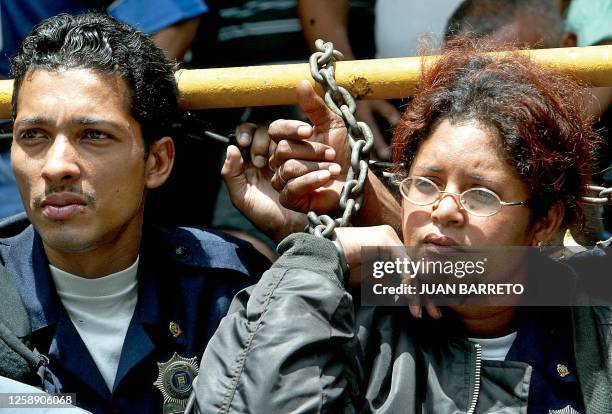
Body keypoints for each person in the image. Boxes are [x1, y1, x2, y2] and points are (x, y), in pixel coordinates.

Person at [189, 40, 611, 413]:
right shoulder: (348, 323)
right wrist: (317, 258)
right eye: (425, 183)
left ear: (545, 220)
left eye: (482, 194)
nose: (445, 210)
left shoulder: (594, 323)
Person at [0, 12, 271, 413]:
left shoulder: (228, 283)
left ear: (157, 161)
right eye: (33, 136)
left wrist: (312, 235)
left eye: (94, 136)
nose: (56, 166)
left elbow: (393, 301)